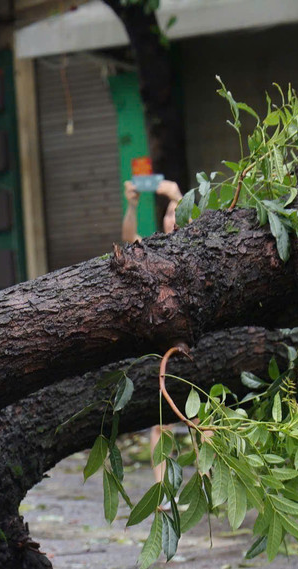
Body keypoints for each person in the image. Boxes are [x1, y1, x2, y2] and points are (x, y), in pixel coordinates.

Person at [121, 179, 184, 483]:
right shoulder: (153, 249)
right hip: (164, 343)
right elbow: (127, 239)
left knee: (204, 417)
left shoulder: (197, 245)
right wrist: (132, 204)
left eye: (178, 212)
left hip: (195, 340)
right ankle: (162, 486)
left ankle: (210, 481)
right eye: (169, 212)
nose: (172, 218)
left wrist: (179, 197)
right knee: (162, 420)